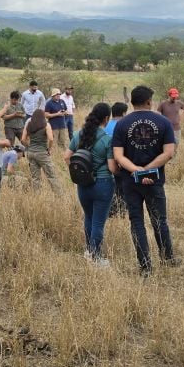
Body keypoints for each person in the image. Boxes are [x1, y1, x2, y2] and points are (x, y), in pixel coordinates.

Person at [112, 85, 180, 276]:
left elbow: (118, 156)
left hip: (129, 181)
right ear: (149, 101)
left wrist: (136, 171)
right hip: (155, 180)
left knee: (136, 222)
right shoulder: (163, 122)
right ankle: (167, 257)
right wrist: (148, 170)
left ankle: (145, 265)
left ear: (132, 102)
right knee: (160, 220)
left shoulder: (122, 124)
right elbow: (169, 153)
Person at [64, 103, 116, 267]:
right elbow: (112, 167)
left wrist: (81, 172)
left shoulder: (79, 134)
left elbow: (67, 157)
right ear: (106, 118)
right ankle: (96, 256)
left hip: (83, 184)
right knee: (98, 222)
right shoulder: (107, 139)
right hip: (102, 184)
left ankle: (89, 251)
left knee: (89, 217)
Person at [21, 108, 61, 193]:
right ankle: (59, 195)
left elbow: (23, 140)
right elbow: (51, 139)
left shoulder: (29, 124)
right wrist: (48, 149)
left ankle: (37, 195)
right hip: (42, 153)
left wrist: (29, 146)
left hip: (31, 153)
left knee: (35, 178)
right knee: (51, 176)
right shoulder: (46, 125)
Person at [106, 102, 128, 217]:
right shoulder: (123, 126)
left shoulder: (105, 125)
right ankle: (121, 211)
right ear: (124, 113)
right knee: (121, 189)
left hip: (105, 163)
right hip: (119, 163)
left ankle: (111, 211)